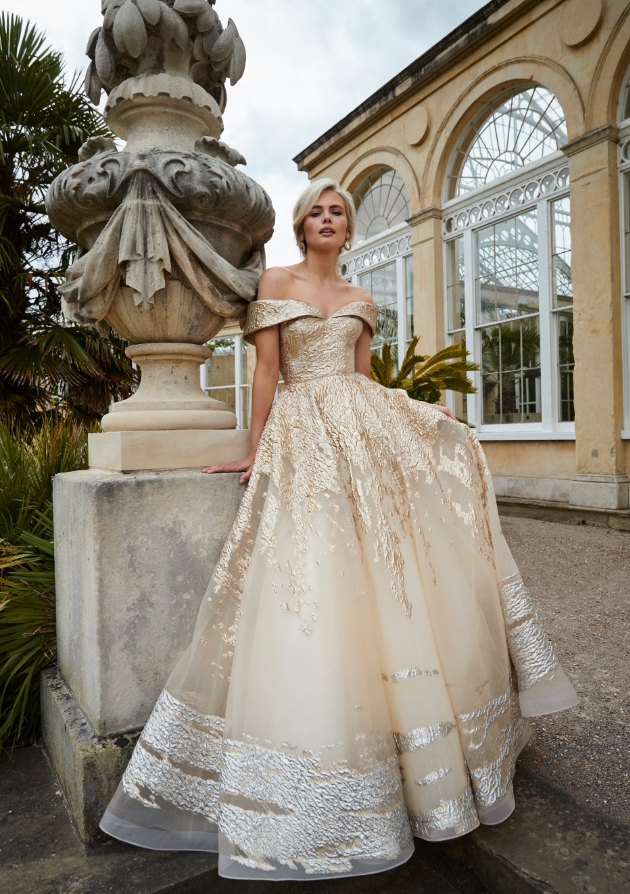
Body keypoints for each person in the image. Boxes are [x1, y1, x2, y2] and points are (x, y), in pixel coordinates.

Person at [101, 179, 578, 880]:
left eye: (337, 213)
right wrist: (255, 449)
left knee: (387, 578)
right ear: (302, 227)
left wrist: (425, 416)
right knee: (314, 578)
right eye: (317, 212)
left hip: (362, 436)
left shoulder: (362, 299)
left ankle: (410, 754)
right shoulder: (276, 280)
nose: (327, 219)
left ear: (347, 231)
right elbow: (267, 371)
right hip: (302, 438)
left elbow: (366, 379)